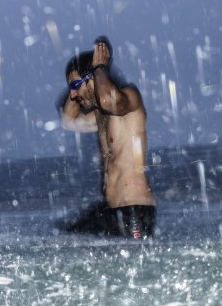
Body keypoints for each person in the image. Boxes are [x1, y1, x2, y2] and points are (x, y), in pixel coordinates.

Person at [58, 35, 156, 239]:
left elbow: (106, 99)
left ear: (93, 78)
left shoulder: (129, 100)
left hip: (134, 211)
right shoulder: (100, 115)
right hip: (110, 210)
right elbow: (68, 121)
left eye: (75, 87)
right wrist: (77, 85)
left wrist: (99, 68)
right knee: (66, 235)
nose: (73, 95)